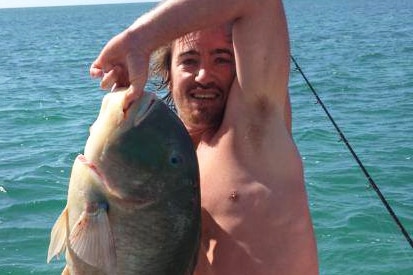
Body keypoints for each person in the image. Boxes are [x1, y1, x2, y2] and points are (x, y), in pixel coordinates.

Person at [90, 0, 319, 274]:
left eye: (222, 58)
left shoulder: (256, 131)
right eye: (189, 60)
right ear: (168, 74)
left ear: (240, 70)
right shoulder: (162, 164)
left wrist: (139, 38)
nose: (203, 75)